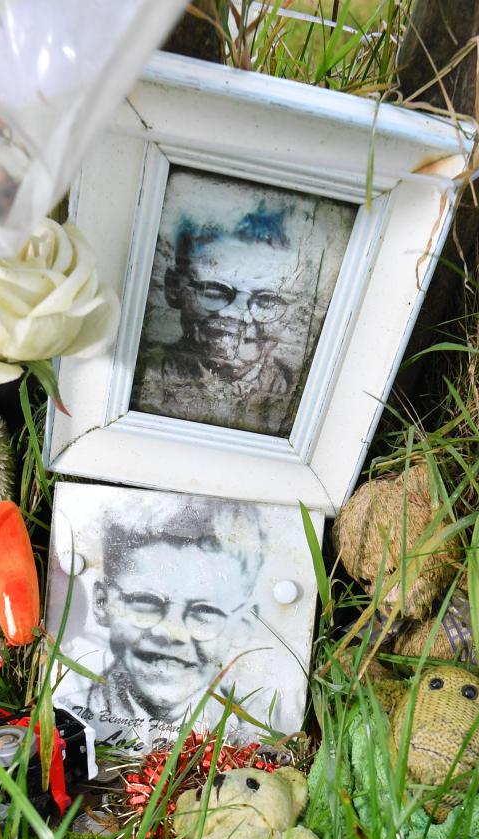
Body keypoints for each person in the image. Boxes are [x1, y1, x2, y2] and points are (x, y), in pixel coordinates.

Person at [130, 188, 331, 438]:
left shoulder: (309, 404)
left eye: (268, 301)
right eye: (213, 291)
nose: (239, 317)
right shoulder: (138, 380)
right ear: (173, 289)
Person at [83, 496, 267, 747]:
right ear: (103, 602)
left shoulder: (257, 739)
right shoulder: (63, 714)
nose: (172, 634)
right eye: (145, 601)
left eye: (205, 611)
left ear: (242, 626)